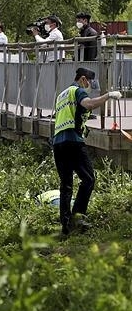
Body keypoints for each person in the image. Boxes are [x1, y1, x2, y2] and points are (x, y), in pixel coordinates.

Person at [53, 67, 122, 236]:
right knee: (89, 179)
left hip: (58, 143)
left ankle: (66, 227)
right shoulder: (77, 91)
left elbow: (74, 115)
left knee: (66, 185)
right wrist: (108, 96)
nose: (90, 86)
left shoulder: (62, 95)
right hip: (72, 142)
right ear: (83, 79)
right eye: (90, 82)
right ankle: (78, 218)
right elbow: (89, 104)